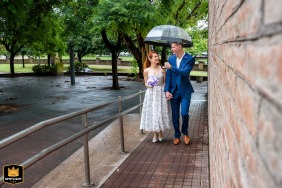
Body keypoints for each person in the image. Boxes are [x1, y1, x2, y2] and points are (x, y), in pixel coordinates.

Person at [164, 42, 195, 145]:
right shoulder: (171, 59)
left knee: (184, 113)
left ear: (179, 47)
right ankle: (177, 135)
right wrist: (167, 90)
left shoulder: (190, 58)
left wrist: (172, 68)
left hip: (185, 91)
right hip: (173, 91)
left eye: (173, 47)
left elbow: (185, 72)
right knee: (175, 115)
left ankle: (185, 133)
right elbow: (168, 76)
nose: (171, 49)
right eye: (171, 47)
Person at [140, 51, 171, 143]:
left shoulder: (162, 70)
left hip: (160, 93)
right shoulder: (146, 70)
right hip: (151, 93)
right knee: (153, 112)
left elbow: (166, 83)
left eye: (157, 56)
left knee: (159, 112)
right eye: (155, 57)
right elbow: (145, 82)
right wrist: (148, 85)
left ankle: (160, 131)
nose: (157, 58)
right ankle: (155, 133)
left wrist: (166, 92)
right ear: (150, 59)